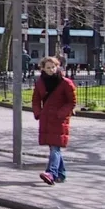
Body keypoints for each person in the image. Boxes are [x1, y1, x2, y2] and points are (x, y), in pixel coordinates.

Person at [31, 56, 77, 185]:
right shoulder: (40, 82)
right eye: (48, 68)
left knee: (54, 147)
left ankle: (50, 173)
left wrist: (61, 114)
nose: (51, 70)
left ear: (57, 67)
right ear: (43, 69)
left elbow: (72, 102)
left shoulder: (65, 82)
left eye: (53, 67)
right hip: (46, 118)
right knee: (53, 146)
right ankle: (60, 174)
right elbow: (35, 100)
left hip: (59, 119)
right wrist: (38, 112)